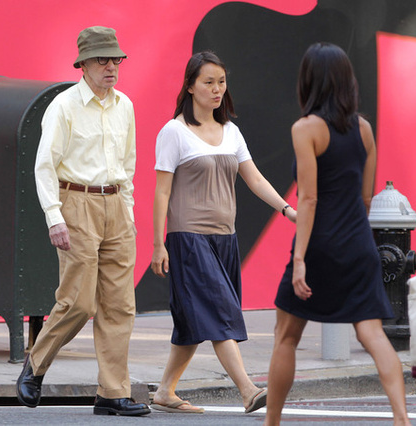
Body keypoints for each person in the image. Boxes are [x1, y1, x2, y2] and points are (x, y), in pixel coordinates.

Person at [264, 42, 411, 426]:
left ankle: (272, 422)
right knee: (373, 334)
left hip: (319, 246)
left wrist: (299, 259)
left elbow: (308, 199)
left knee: (286, 337)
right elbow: (365, 198)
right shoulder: (364, 129)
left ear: (308, 82)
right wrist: (354, 239)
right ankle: (401, 418)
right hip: (359, 245)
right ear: (347, 81)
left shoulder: (305, 128)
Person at [150, 51, 297, 414]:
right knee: (220, 312)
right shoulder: (174, 132)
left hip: (225, 240)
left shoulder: (231, 131)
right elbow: (162, 191)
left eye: (221, 82)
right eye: (208, 82)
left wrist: (287, 209)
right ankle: (247, 389)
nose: (217, 90)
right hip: (189, 239)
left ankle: (165, 391)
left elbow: (255, 178)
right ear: (190, 86)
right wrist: (158, 244)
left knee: (192, 323)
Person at [16, 26, 150, 417]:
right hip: (75, 203)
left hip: (115, 208)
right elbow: (44, 166)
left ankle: (112, 392)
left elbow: (128, 164)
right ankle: (36, 365)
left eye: (116, 60)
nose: (111, 67)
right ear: (84, 64)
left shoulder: (124, 104)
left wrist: (127, 209)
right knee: (77, 301)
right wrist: (54, 217)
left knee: (120, 305)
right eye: (102, 60)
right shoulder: (64, 106)